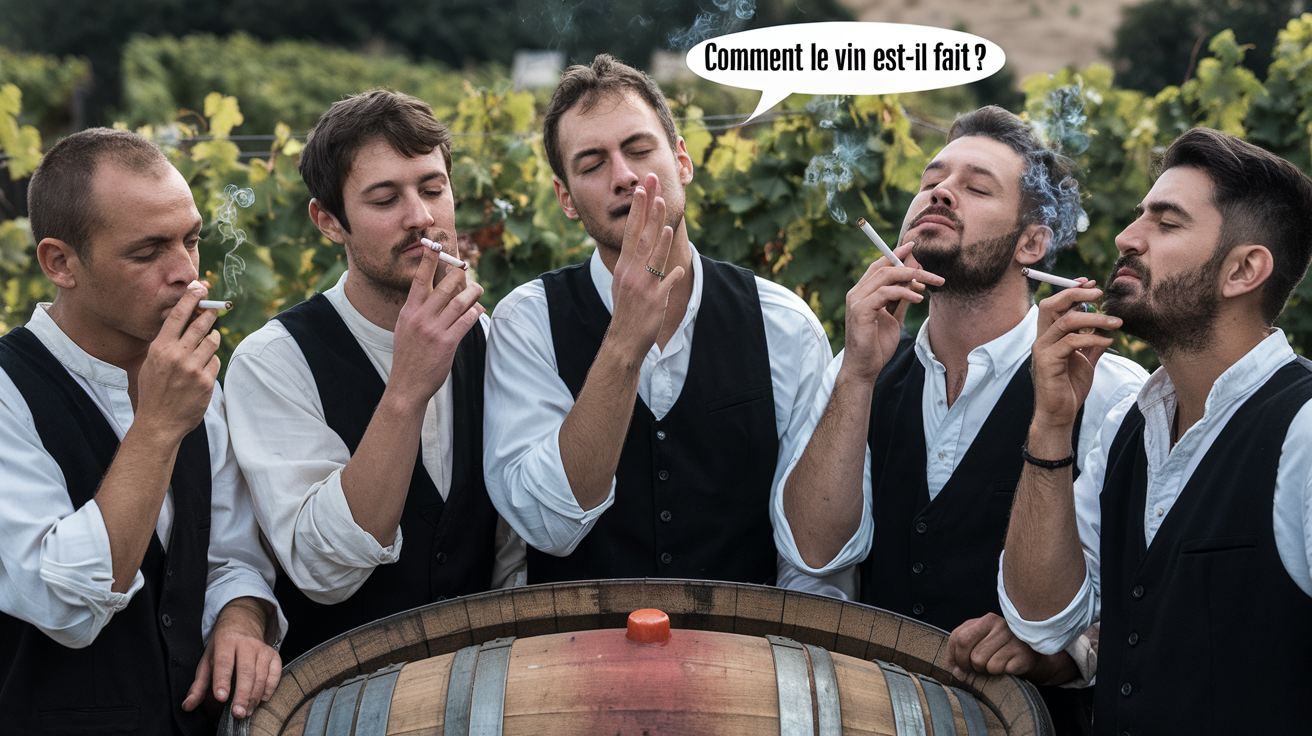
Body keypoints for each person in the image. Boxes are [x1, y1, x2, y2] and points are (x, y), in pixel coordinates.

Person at [773, 107, 1147, 730]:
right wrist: (858, 376)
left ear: (1032, 245)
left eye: (976, 187)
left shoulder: (1111, 395)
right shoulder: (855, 368)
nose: (940, 191)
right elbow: (812, 559)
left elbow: (1141, 606)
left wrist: (1061, 656)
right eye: (931, 181)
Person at [1002, 127, 1312, 734]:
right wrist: (1051, 423)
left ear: (1243, 269)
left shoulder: (1302, 431)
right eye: (1140, 213)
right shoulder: (1126, 424)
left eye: (1166, 223)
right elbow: (1042, 619)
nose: (1126, 237)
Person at [483, 54, 832, 588]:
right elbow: (547, 526)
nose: (624, 177)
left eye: (639, 149)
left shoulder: (783, 325)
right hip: (572, 660)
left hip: (744, 661)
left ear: (682, 160)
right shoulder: (527, 324)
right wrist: (624, 339)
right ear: (565, 199)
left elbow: (811, 566)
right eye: (592, 164)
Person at [0, 128, 283, 734]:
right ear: (60, 263)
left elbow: (228, 555)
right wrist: (156, 427)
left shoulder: (194, 380)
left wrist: (241, 618)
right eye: (147, 251)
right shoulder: (9, 394)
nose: (186, 273)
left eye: (191, 239)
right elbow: (64, 603)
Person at [225, 90, 524, 662]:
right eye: (385, 199)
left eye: (433, 189)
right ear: (329, 222)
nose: (421, 216)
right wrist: (406, 391)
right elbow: (322, 570)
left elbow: (509, 551)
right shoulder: (273, 362)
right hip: (334, 700)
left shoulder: (485, 336)